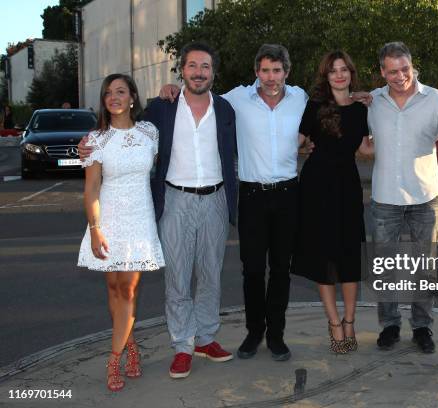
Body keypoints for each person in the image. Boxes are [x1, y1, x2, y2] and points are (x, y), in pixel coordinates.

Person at [80, 42, 238, 379]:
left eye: (205, 66)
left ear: (213, 72)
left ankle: (206, 338)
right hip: (175, 199)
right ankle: (182, 345)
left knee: (211, 274)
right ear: (182, 70)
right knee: (178, 278)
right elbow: (119, 130)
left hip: (216, 199)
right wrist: (83, 146)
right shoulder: (161, 109)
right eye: (192, 65)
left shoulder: (225, 109)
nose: (198, 72)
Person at [160, 44, 307, 361]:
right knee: (252, 270)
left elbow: (329, 111)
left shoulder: (301, 98)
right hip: (251, 195)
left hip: (287, 195)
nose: (271, 77)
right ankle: (254, 333)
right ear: (256, 72)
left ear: (287, 72)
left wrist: (365, 97)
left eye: (277, 70)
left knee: (281, 270)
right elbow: (198, 95)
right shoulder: (234, 100)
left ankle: (276, 336)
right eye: (265, 70)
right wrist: (169, 89)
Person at [77, 73, 165, 391]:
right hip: (108, 219)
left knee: (128, 290)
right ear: (104, 101)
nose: (113, 97)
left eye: (120, 91)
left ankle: (113, 359)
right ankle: (131, 346)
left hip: (140, 219)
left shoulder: (149, 132)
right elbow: (91, 189)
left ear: (132, 97)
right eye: (108, 93)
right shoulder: (96, 140)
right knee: (114, 289)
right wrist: (95, 229)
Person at [366, 42, 438, 354]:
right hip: (385, 197)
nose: (400, 76)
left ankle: (422, 327)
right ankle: (389, 325)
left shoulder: (435, 99)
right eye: (392, 71)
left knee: (424, 267)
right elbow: (350, 133)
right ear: (382, 72)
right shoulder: (372, 101)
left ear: (411, 64)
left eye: (404, 68)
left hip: (426, 196)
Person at [291, 50, 372, 354]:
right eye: (332, 71)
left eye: (344, 70)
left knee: (349, 256)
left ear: (351, 73)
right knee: (322, 258)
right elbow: (294, 141)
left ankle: (350, 320)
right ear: (326, 76)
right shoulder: (314, 107)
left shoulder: (362, 109)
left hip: (348, 188)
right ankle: (334, 322)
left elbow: (365, 148)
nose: (339, 75)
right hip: (315, 188)